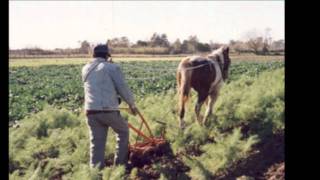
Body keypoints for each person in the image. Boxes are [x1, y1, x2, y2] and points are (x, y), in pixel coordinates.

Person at [82, 44, 138, 169]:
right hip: (108, 110)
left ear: (93, 55)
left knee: (96, 143)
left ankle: (96, 172)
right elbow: (122, 87)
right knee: (123, 131)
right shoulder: (112, 68)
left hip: (90, 111)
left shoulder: (85, 68)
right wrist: (132, 104)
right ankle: (120, 165)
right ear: (107, 55)